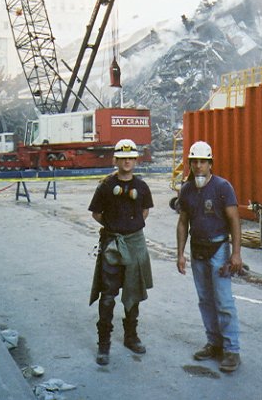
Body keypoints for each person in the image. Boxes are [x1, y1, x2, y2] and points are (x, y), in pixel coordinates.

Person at [176, 140, 243, 373]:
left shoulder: (223, 187)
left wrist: (235, 254)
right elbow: (183, 222)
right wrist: (180, 254)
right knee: (205, 300)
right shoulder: (186, 190)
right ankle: (214, 344)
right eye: (194, 162)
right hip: (198, 250)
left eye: (202, 162)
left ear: (210, 163)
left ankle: (232, 350)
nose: (198, 166)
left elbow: (235, 220)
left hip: (219, 250)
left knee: (223, 301)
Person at [89, 138, 153, 366]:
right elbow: (96, 213)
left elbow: (144, 211)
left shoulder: (142, 187)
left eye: (130, 158)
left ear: (135, 160)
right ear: (115, 160)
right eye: (122, 157)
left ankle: (131, 337)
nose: (127, 161)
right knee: (107, 295)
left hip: (134, 244)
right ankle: (103, 344)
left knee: (133, 292)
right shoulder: (105, 186)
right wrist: (115, 226)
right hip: (112, 245)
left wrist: (129, 229)